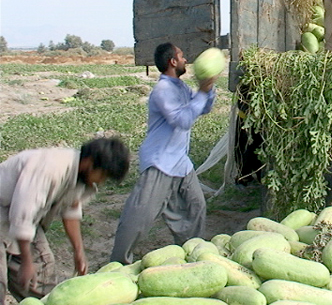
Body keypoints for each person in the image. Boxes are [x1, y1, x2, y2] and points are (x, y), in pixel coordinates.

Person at [110, 42, 217, 265]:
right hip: (161, 161)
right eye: (182, 55)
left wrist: (208, 88)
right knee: (139, 216)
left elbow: (203, 108)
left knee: (195, 206)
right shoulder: (163, 90)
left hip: (180, 161)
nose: (186, 59)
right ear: (173, 62)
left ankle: (191, 252)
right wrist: (202, 93)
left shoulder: (180, 87)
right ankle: (118, 262)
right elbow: (183, 120)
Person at [0, 137, 130, 304]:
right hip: (8, 207)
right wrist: (26, 261)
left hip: (24, 217)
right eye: (103, 176)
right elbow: (22, 214)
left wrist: (79, 252)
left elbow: (71, 210)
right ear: (89, 162)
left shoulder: (81, 177)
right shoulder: (50, 168)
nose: (101, 181)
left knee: (42, 283)